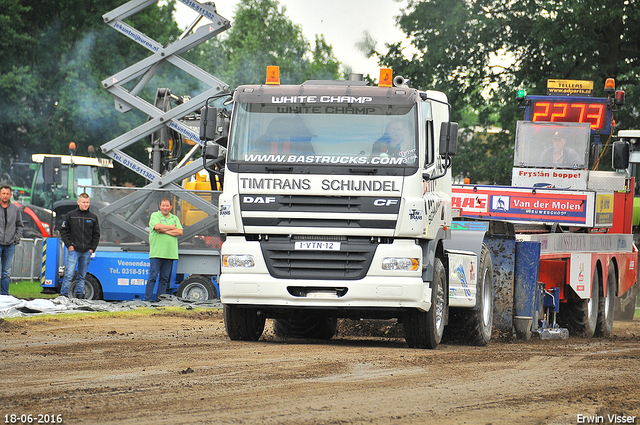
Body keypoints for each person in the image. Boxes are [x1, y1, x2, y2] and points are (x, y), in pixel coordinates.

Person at [60, 192, 100, 298]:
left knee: (82, 275)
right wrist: (69, 245)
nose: (85, 204)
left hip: (86, 251)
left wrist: (92, 249)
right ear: (78, 202)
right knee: (69, 274)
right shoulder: (70, 215)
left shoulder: (93, 217)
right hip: (74, 250)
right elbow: (63, 231)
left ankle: (80, 296)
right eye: (83, 202)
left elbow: (96, 235)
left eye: (87, 202)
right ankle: (63, 296)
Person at [144, 198, 183, 302]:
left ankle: (160, 301)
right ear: (160, 207)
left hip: (170, 254)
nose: (165, 208)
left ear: (171, 207)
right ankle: (147, 301)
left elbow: (180, 232)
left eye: (167, 206)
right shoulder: (155, 215)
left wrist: (164, 231)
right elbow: (157, 226)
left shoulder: (175, 218)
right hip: (157, 253)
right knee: (152, 277)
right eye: (163, 206)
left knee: (164, 279)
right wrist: (171, 227)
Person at [0, 185, 24, 296]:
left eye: (7, 193)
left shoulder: (15, 209)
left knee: (6, 272)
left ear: (10, 195)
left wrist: (16, 239)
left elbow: (20, 225)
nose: (5, 196)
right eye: (3, 193)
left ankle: (4, 295)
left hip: (9, 245)